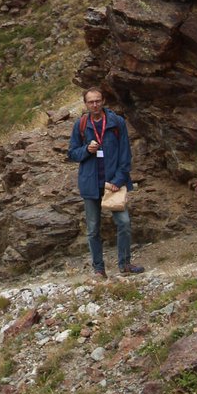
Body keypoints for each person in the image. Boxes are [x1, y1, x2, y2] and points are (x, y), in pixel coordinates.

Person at [67, 88, 144, 278]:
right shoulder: (82, 124)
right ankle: (99, 269)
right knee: (93, 229)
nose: (95, 104)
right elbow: (72, 153)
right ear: (85, 103)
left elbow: (125, 154)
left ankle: (125, 264)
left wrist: (119, 179)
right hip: (90, 183)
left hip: (113, 183)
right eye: (91, 101)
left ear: (103, 101)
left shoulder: (116, 122)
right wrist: (87, 150)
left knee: (124, 223)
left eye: (98, 101)